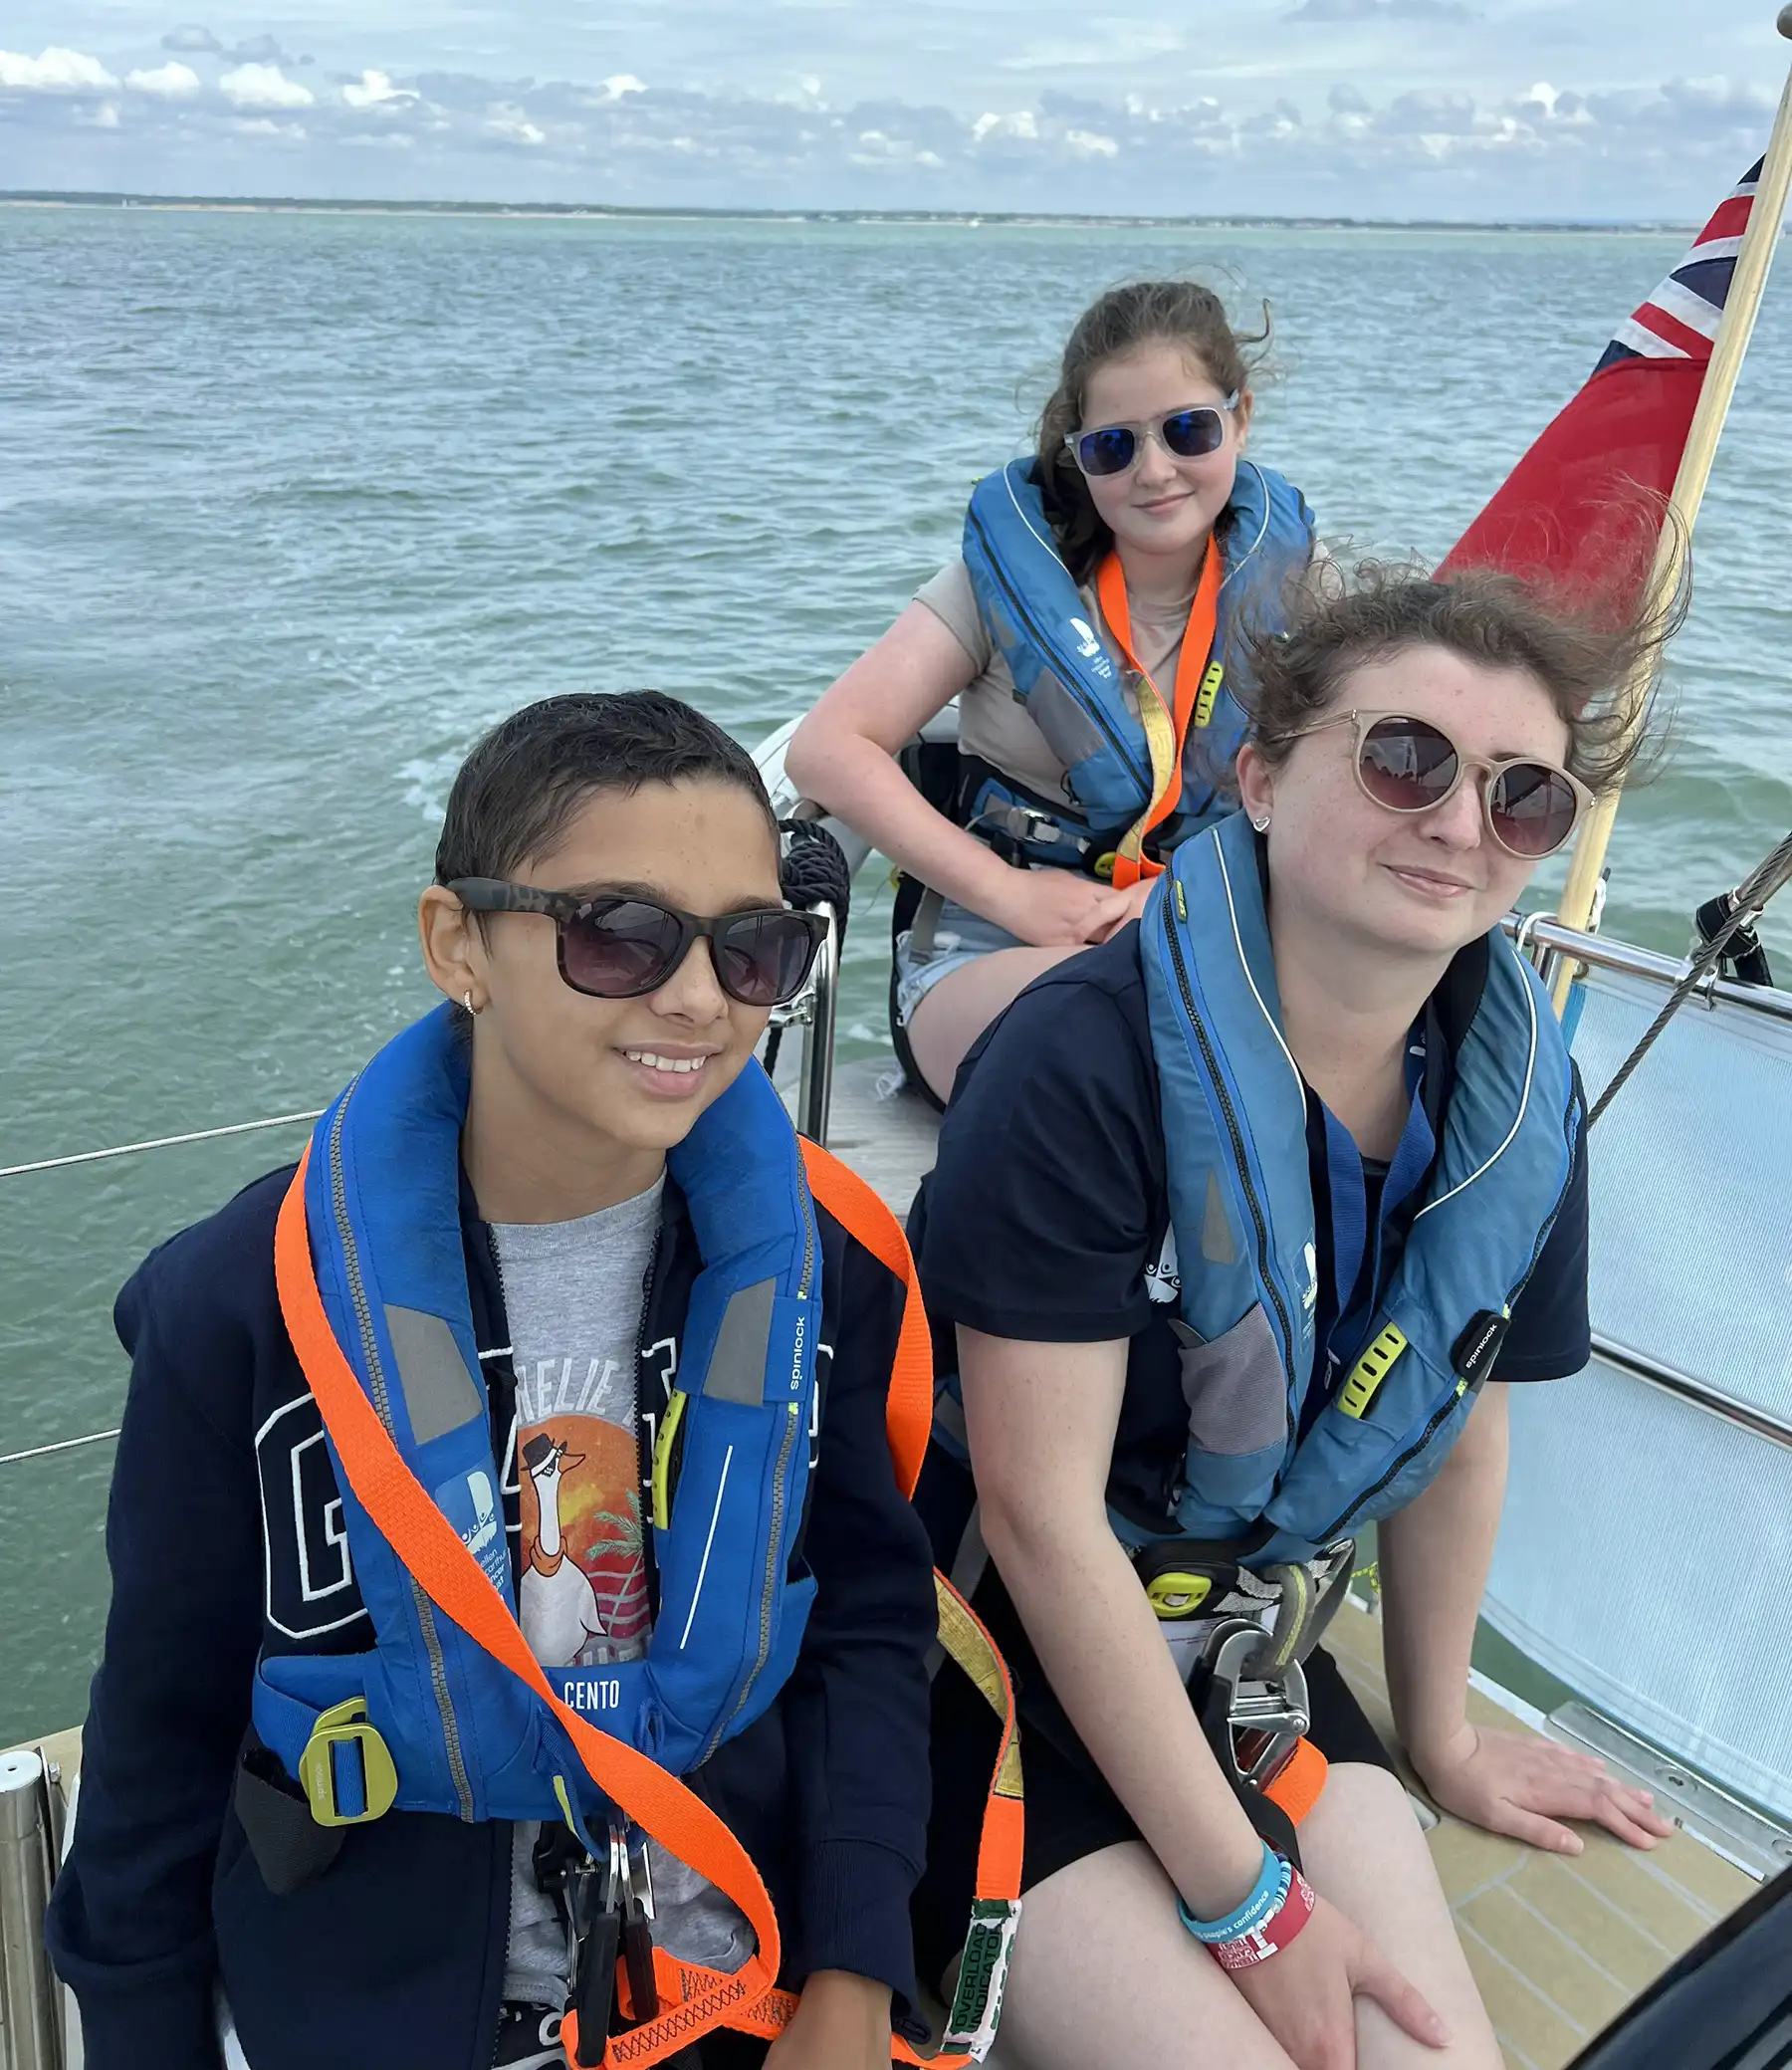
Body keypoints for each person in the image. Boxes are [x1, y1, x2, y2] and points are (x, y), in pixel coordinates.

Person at [46, 692, 946, 2070]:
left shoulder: (824, 1274)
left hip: (744, 1991)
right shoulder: (235, 1307)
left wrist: (853, 1972)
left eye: (753, 947)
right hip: (385, 2010)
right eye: (618, 933)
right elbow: (159, 1732)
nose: (698, 996)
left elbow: (872, 1621)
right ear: (457, 941)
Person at [906, 566, 1680, 2070]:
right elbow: (1039, 1512)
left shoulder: (1515, 1107)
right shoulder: (1080, 1064)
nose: (1461, 823)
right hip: (985, 1673)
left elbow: (1459, 1427)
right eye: (1406, 759)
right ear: (1259, 777)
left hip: (1245, 1662)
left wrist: (1442, 1735)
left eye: (1525, 797)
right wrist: (1250, 1902)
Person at [785, 278, 1316, 1103]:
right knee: (1120, 1026)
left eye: (1188, 430)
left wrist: (1187, 905)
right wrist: (1013, 894)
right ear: (1078, 454)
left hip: (1202, 935)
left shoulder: (1300, 596)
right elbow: (828, 750)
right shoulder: (991, 586)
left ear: (1240, 417)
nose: (1155, 471)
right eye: (1115, 446)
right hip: (990, 952)